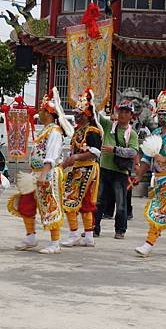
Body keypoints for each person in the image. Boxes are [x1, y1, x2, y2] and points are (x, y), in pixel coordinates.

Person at [9, 87, 73, 254]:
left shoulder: (55, 132)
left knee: (49, 205)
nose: (39, 113)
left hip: (48, 173)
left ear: (49, 113)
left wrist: (44, 174)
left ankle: (55, 243)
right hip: (36, 173)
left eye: (42, 110)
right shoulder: (45, 130)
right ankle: (30, 237)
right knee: (26, 203)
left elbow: (51, 155)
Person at [134, 89, 166, 257]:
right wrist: (139, 176)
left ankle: (149, 244)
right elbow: (147, 159)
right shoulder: (155, 133)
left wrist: (165, 160)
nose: (161, 117)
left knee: (160, 210)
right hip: (159, 178)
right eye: (160, 114)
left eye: (165, 114)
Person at [60, 89, 103, 248]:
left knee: (69, 200)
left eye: (80, 114)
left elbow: (95, 152)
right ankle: (89, 236)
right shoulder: (78, 130)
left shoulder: (93, 131)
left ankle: (74, 234)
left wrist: (76, 157)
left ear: (87, 115)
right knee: (84, 203)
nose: (77, 116)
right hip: (78, 169)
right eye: (76, 113)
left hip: (87, 169)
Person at [94, 99, 139, 239]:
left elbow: (133, 151)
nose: (123, 115)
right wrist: (93, 101)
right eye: (121, 111)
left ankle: (120, 230)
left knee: (120, 203)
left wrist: (114, 150)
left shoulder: (132, 133)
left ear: (131, 115)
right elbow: (96, 116)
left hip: (120, 172)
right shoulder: (108, 126)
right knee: (99, 201)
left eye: (126, 112)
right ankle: (94, 228)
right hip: (104, 168)